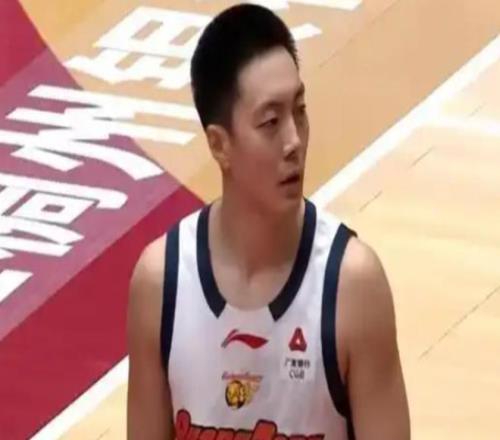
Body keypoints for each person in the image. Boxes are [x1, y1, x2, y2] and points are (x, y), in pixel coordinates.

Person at [127, 4, 410, 439]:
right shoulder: (161, 283)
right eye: (271, 122)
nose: (294, 140)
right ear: (219, 145)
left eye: (300, 110)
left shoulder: (352, 287)